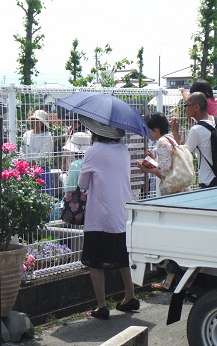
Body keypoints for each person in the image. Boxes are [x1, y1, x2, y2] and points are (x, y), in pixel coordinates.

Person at [77, 116, 138, 320]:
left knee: (95, 261)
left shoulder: (94, 151)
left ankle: (101, 306)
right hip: (121, 211)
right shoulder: (122, 149)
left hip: (100, 214)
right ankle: (130, 295)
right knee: (122, 258)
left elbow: (82, 183)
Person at [171, 92, 217, 188]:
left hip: (209, 181)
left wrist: (175, 132)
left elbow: (183, 154)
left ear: (196, 107)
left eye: (186, 105)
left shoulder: (197, 130)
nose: (185, 108)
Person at [137, 112, 191, 196]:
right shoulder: (170, 138)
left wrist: (146, 169)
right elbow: (167, 167)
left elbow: (164, 173)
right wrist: (153, 160)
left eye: (148, 130)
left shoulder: (162, 142)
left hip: (173, 193)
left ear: (157, 129)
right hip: (181, 189)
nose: (146, 133)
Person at [21, 110, 54, 194]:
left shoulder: (47, 136)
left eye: (38, 121)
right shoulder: (26, 134)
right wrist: (24, 161)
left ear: (43, 123)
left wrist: (33, 162)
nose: (35, 122)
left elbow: (45, 153)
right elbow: (22, 149)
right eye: (34, 120)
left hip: (42, 169)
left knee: (43, 194)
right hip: (27, 168)